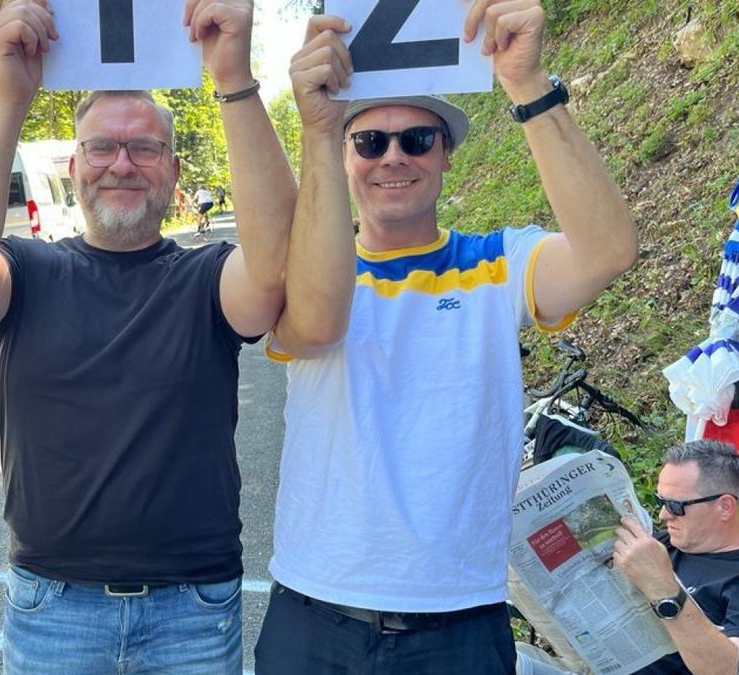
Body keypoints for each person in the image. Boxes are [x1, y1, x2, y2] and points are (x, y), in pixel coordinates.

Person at [255, 0, 638, 672]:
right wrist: (314, 128)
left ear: (447, 156)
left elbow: (607, 251)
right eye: (369, 141)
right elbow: (301, 321)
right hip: (315, 610)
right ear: (344, 159)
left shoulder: (498, 262)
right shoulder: (311, 281)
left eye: (417, 139)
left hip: (459, 619)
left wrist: (526, 83)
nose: (393, 157)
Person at [0, 0, 295, 672]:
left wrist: (234, 80)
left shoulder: (206, 278)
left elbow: (274, 270)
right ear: (74, 165)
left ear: (175, 175)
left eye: (145, 147)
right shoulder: (28, 269)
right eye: (101, 146)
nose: (121, 163)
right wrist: (7, 97)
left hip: (194, 612)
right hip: (53, 609)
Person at [612, 440, 739, 674]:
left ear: (725, 507)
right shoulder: (663, 543)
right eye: (660, 501)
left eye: (675, 505)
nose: (664, 515)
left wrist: (665, 593)